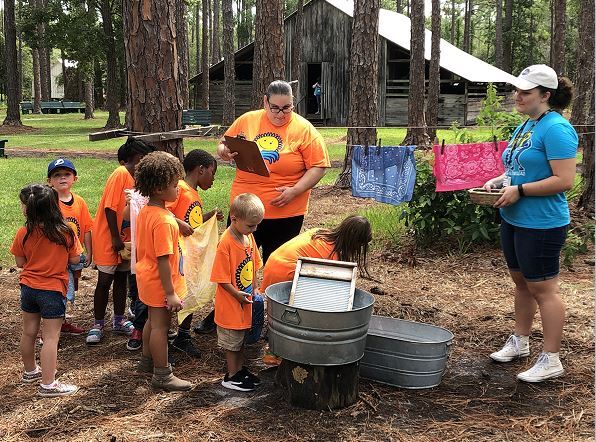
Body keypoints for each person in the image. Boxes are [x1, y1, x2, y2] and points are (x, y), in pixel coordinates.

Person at [195, 80, 330, 334]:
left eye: (287, 108)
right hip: (244, 210)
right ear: (265, 102)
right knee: (233, 263)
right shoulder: (248, 120)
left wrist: (295, 191)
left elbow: (319, 166)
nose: (280, 114)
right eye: (275, 108)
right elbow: (224, 143)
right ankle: (222, 314)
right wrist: (224, 152)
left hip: (285, 211)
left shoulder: (304, 129)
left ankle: (275, 320)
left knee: (276, 266)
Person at [483, 64, 578, 383]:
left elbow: (564, 180)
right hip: (514, 218)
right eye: (517, 90)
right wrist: (502, 179)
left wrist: (520, 190)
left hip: (542, 223)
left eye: (525, 91)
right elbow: (520, 166)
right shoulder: (527, 125)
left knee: (544, 289)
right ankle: (520, 342)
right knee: (522, 283)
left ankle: (551, 358)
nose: (517, 96)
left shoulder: (556, 128)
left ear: (546, 95)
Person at [11, 184, 81, 397]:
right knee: (51, 338)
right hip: (52, 290)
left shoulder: (24, 232)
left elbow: (20, 262)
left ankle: (30, 371)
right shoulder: (65, 232)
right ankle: (48, 384)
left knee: (29, 332)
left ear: (28, 209)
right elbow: (76, 259)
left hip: (29, 288)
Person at [87, 138, 154, 345]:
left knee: (121, 280)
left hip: (126, 241)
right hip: (109, 238)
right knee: (104, 281)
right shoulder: (121, 173)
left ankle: (119, 319)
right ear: (138, 158)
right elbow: (109, 208)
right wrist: (115, 237)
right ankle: (98, 323)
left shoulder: (136, 178)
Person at [134, 151, 192, 391]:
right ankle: (162, 374)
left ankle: (146, 362)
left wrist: (179, 222)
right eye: (173, 184)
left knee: (151, 322)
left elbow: (163, 215)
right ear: (159, 189)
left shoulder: (150, 211)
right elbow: (163, 260)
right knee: (161, 327)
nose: (178, 188)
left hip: (146, 278)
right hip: (160, 283)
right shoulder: (164, 222)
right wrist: (170, 293)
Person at [165, 149, 223, 357]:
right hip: (176, 256)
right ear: (201, 170)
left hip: (189, 256)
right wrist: (179, 223)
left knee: (189, 295)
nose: (214, 178)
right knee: (175, 297)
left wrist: (209, 216)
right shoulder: (179, 188)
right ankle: (162, 341)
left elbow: (192, 223)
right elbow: (159, 211)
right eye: (212, 172)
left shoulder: (192, 193)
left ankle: (182, 335)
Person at [210, 193, 264, 392]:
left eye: (257, 225)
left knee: (240, 339)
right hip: (231, 304)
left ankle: (240, 370)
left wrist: (256, 287)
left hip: (244, 303)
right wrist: (237, 295)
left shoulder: (247, 236)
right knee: (232, 343)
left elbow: (254, 265)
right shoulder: (225, 244)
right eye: (251, 225)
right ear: (234, 219)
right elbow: (221, 279)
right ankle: (231, 376)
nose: (254, 229)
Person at [260, 215, 373, 292]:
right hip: (283, 273)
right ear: (355, 242)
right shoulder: (331, 255)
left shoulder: (319, 232)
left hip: (273, 262)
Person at [46, 158, 93, 336]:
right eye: (57, 175)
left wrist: (89, 252)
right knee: (59, 291)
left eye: (67, 174)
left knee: (71, 287)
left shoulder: (79, 201)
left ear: (75, 178)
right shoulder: (49, 203)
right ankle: (50, 328)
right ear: (49, 181)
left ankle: (62, 322)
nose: (62, 178)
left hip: (75, 255)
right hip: (57, 257)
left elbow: (87, 227)